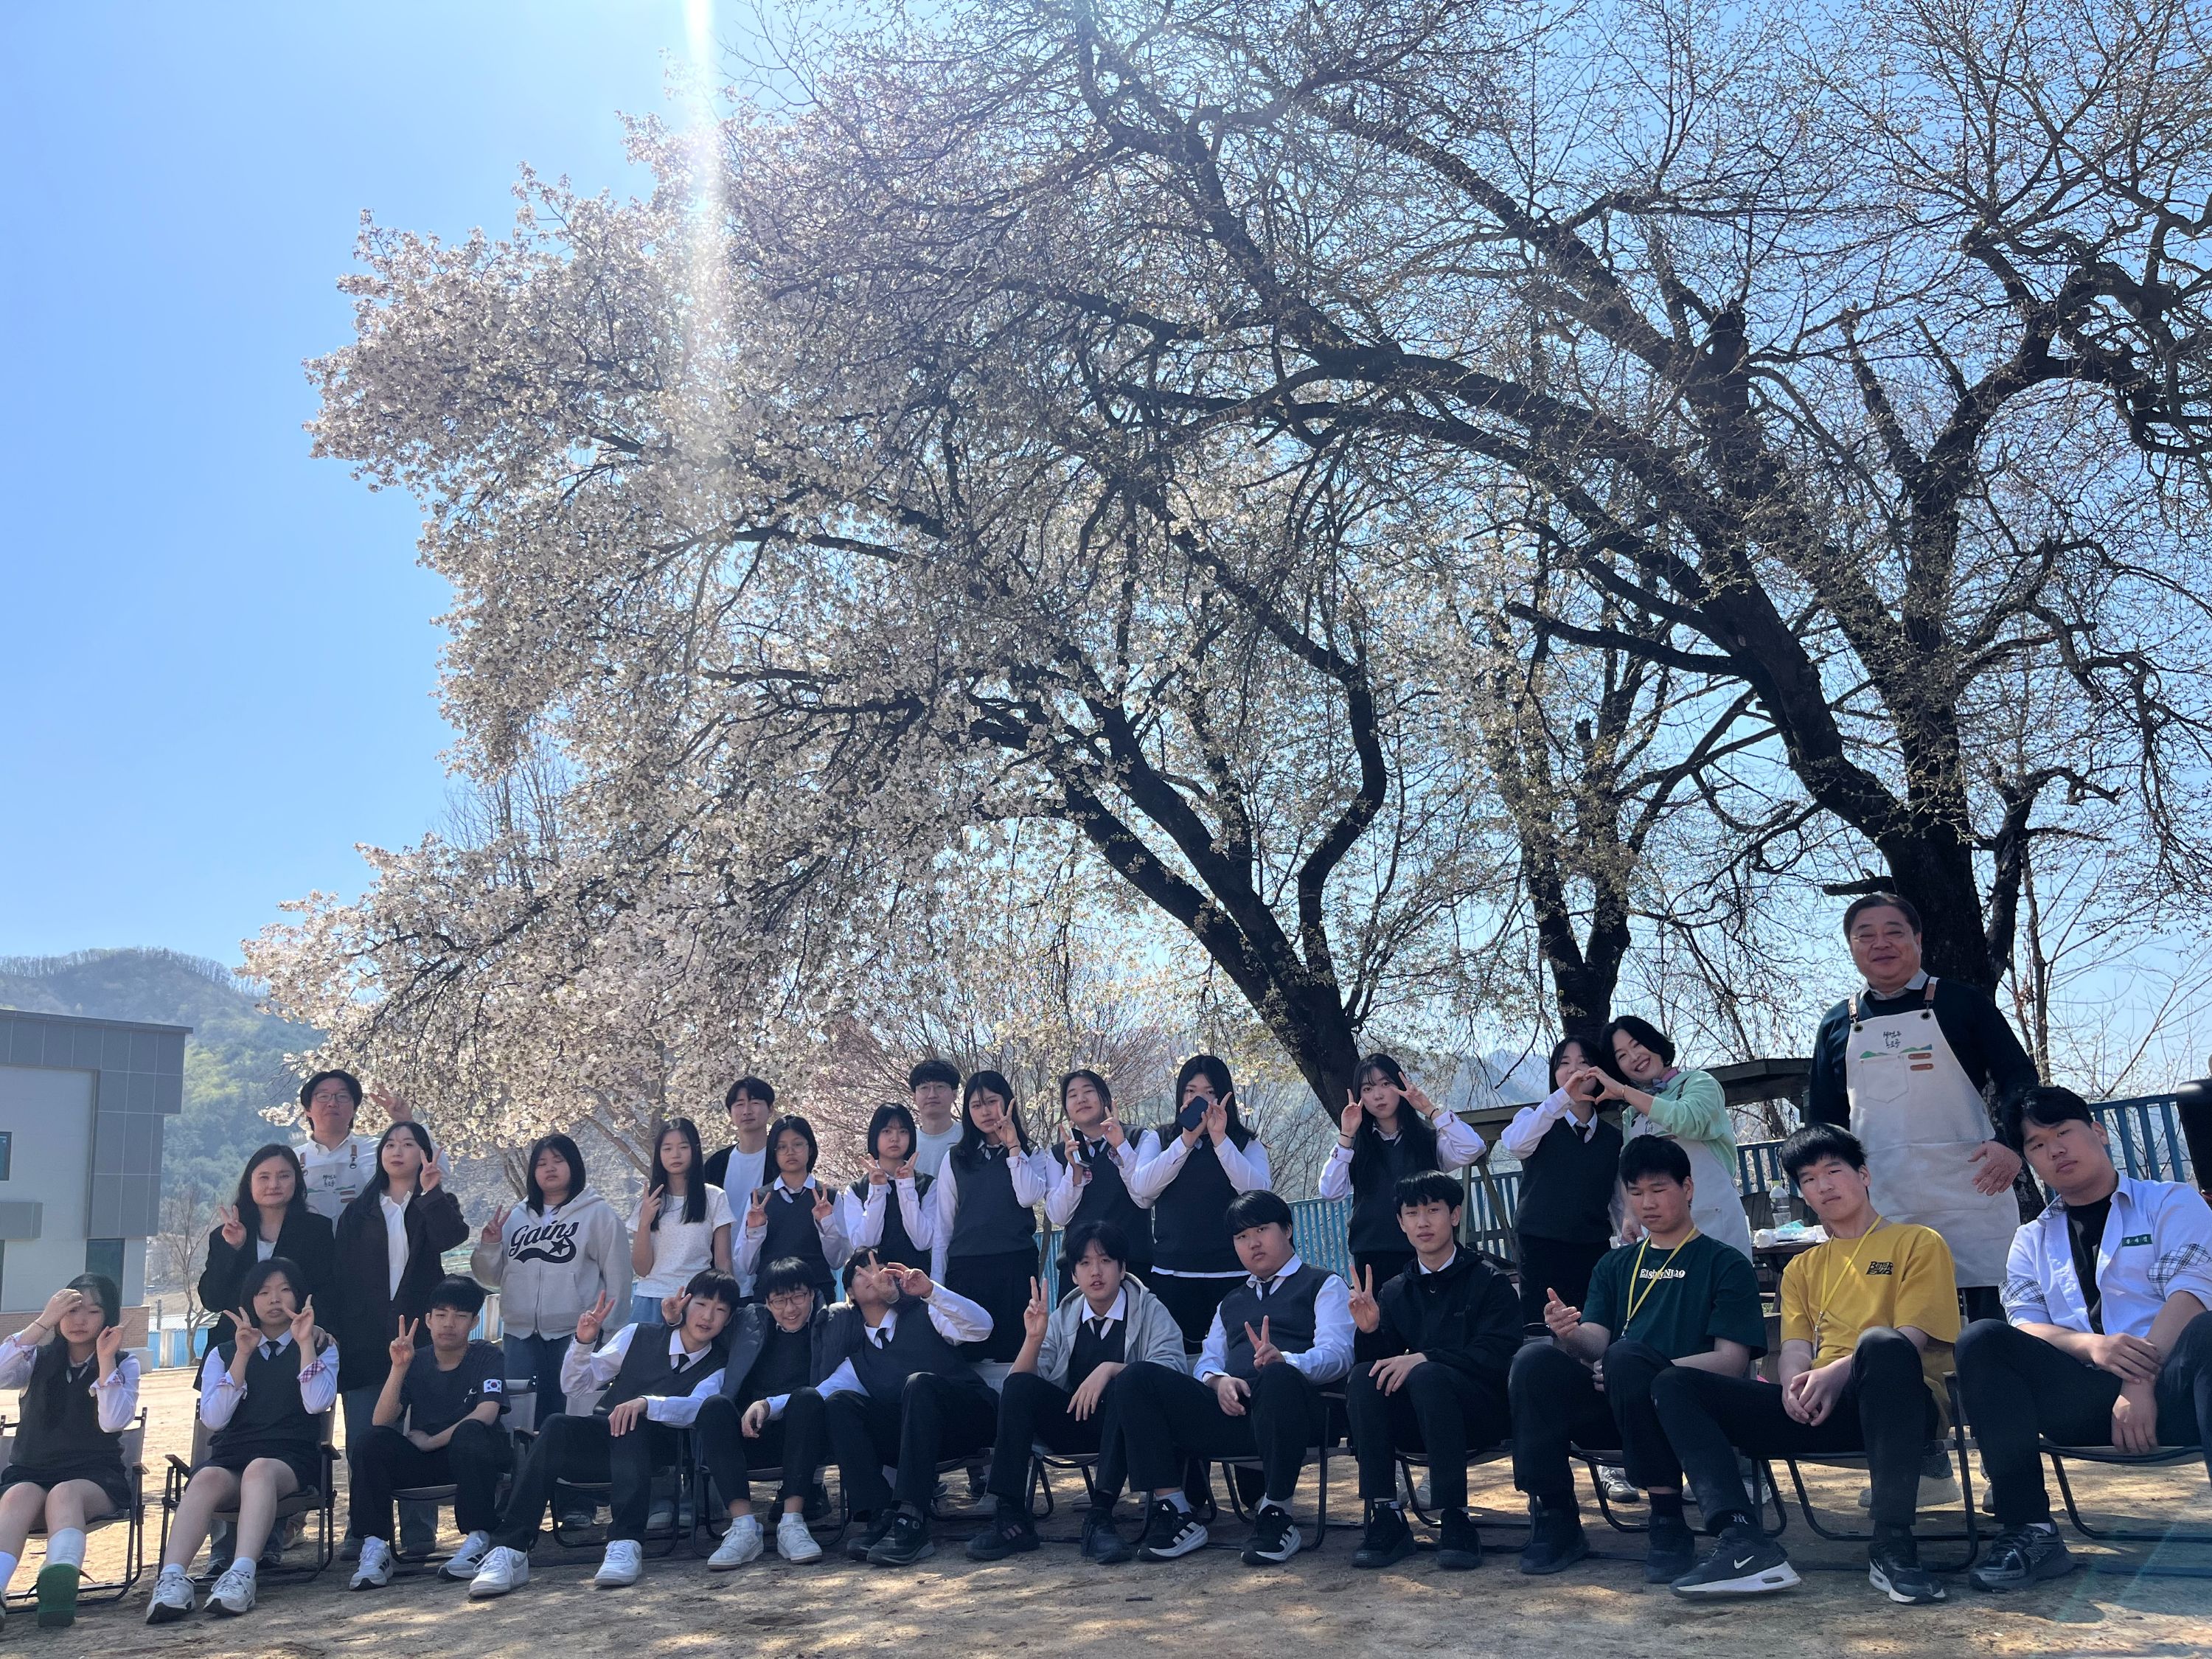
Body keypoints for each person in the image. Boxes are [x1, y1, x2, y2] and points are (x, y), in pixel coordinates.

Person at [1650, 1124, 1959, 1604]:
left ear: (1864, 1175)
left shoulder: (1918, 1242)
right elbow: (1794, 1347)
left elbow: (1911, 1339)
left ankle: (1893, 1545)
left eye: (1834, 1171)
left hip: (1899, 1404)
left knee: (1881, 1344)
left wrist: (1835, 1373)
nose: (1823, 1186)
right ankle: (1742, 1541)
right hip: (1823, 1407)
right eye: (1809, 1179)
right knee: (1675, 1383)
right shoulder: (1802, 1267)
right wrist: (1796, 1385)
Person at [1956, 1085, 2212, 1591]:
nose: (2054, 1150)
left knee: (2209, 1329)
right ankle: (2029, 1531)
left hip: (2174, 1390)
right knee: (1982, 1339)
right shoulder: (2030, 1238)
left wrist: (2138, 1382)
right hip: (2083, 1398)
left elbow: (2192, 1293)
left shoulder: (2171, 1202)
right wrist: (2091, 1346)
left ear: (2098, 1132)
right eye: (2036, 1144)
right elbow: (2026, 1322)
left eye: (2063, 1132)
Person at [1511, 1136, 1767, 1582]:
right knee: (1534, 1361)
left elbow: (1730, 1361)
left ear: (1688, 1188)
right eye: (1636, 1192)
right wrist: (1569, 1334)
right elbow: (1597, 1343)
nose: (1647, 1203)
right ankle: (1554, 1515)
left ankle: (1667, 1520)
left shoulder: (1724, 1263)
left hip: (1687, 1408)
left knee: (1629, 1359)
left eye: (1659, 1189)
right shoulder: (1615, 1265)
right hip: (1613, 1401)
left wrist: (1645, 1370)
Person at [1807, 892, 2039, 1319]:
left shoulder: (1963, 1003)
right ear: (1852, 947)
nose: (1881, 944)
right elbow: (1824, 1123)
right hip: (1882, 1197)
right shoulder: (1837, 1024)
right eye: (1866, 935)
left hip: (1971, 1189)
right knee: (1895, 1321)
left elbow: (2020, 1078)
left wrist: (2011, 1144)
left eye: (1894, 932)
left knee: (1992, 1324)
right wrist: (1829, 1194)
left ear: (1917, 939)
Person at [1114, 1189, 1354, 1566]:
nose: (1253, 1243)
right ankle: (1176, 1510)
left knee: (1278, 1378)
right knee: (1136, 1378)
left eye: (1261, 1230)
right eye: (1241, 1236)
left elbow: (1339, 1355)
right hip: (1238, 1415)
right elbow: (1206, 1362)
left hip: (1300, 1415)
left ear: (1287, 1230)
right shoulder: (1231, 1302)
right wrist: (1218, 1381)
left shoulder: (1323, 1284)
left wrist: (1286, 1360)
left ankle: (1277, 1513)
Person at [467, 1271, 740, 1596]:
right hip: (604, 1439)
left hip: (658, 1449)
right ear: (684, 1304)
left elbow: (697, 1407)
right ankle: (509, 1550)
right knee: (556, 1425)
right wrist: (583, 1343)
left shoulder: (720, 1364)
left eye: (720, 1310)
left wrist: (646, 1403)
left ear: (729, 1319)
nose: (708, 1317)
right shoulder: (638, 1334)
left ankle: (625, 1542)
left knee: (632, 1422)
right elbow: (576, 1385)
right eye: (702, 1304)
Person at [967, 1220, 1189, 1564]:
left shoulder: (1150, 1310)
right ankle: (1010, 1515)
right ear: (1073, 1275)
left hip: (1131, 1431)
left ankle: (1100, 1517)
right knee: (1018, 1385)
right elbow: (1021, 1386)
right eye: (1084, 1263)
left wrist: (1110, 1369)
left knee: (1124, 1386)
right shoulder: (1063, 1316)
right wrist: (1033, 1339)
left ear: (1123, 1268)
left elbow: (1172, 1373)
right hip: (1075, 1425)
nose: (1095, 1272)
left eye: (1105, 1261)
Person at [1343, 1172, 1520, 1572]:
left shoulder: (1488, 1280)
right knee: (1363, 1379)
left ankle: (1455, 1517)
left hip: (1480, 1414)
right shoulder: (1394, 1290)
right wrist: (1370, 1332)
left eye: (1433, 1211)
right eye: (1412, 1213)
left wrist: (1426, 1358)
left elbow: (1497, 1354)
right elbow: (1383, 1366)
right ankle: (1386, 1515)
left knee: (1427, 1375)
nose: (1423, 1222)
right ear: (1401, 1223)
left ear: (1455, 1215)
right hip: (1419, 1419)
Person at [145, 1259, 338, 1624]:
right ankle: (171, 1579)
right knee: (205, 1478)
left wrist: (304, 1344)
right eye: (263, 1292)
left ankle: (242, 1573)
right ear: (250, 1300)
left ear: (300, 1296)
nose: (274, 1299)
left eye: (284, 1290)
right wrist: (243, 1356)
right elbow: (214, 1419)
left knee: (259, 1471)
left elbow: (317, 1403)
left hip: (290, 1456)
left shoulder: (321, 1346)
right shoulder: (222, 1352)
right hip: (234, 1454)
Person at [329, 1119, 467, 1559]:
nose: (397, 1151)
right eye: (390, 1144)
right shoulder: (360, 1211)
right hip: (365, 1342)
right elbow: (341, 1279)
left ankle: (419, 1529)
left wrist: (431, 1194)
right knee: (365, 1436)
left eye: (409, 1144)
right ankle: (363, 1530)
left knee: (417, 1430)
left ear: (423, 1154)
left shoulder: (434, 1201)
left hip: (421, 1337)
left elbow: (452, 1238)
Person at [818, 1248, 998, 1567]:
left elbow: (982, 1327)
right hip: (917, 1442)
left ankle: (912, 1518)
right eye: (863, 1271)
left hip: (968, 1422)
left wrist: (930, 1291)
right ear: (850, 1294)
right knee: (839, 1404)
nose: (875, 1274)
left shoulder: (926, 1312)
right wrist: (766, 1406)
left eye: (881, 1268)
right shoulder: (858, 1359)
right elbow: (819, 1394)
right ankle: (882, 1515)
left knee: (918, 1384)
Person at [346, 1276, 512, 1590]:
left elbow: (487, 1412)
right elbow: (381, 1420)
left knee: (472, 1432)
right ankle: (375, 1546)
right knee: (370, 1441)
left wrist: (431, 1442)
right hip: (427, 1462)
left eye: (460, 1316)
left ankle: (478, 1539)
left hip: (472, 1457)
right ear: (428, 1320)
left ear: (474, 1322)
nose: (449, 1323)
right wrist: (398, 1368)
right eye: (441, 1315)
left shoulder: (487, 1356)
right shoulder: (417, 1360)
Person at [1321, 1054, 1486, 1360]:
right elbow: (1330, 1191)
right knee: (1382, 1340)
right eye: (1368, 1089)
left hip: (1428, 1254)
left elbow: (1472, 1148)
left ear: (1401, 1086)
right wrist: (1347, 1134)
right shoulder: (1356, 1147)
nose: (1378, 1095)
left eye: (1386, 1084)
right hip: (1374, 1255)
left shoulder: (1427, 1139)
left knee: (1435, 1337)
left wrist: (1430, 1110)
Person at [0, 1276, 136, 1630]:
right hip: (32, 1470)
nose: (80, 1320)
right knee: (16, 1496)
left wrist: (105, 1361)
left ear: (108, 1316)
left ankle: (59, 1583)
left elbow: (113, 1422)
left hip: (94, 1476)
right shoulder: (37, 1358)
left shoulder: (125, 1362)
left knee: (64, 1494)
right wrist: (43, 1322)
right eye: (72, 1311)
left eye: (93, 1311)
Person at [470, 1132, 630, 1422]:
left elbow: (618, 1277)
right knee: (518, 1416)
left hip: (575, 1334)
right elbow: (489, 1278)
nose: (550, 1168)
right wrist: (490, 1246)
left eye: (558, 1161)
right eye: (541, 1163)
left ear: (574, 1165)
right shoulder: (516, 1217)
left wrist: (611, 1334)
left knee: (569, 1415)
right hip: (519, 1334)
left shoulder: (598, 1214)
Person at [1128, 1054, 1274, 1351]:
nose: (1201, 1100)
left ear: (1225, 1097)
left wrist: (1220, 1141)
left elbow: (1259, 1194)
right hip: (1173, 1273)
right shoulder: (1160, 1138)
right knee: (1177, 1359)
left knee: (1238, 1357)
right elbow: (1143, 1187)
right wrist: (1185, 1141)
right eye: (1191, 1091)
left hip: (1234, 1272)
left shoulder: (1245, 1142)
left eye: (1210, 1092)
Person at [693, 1256, 831, 1569]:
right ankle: (743, 1528)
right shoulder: (748, 1323)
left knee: (807, 1398)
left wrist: (770, 1404)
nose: (790, 1308)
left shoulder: (830, 1325)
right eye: (779, 1300)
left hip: (805, 1437)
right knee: (714, 1406)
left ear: (812, 1294)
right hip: (749, 1437)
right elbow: (702, 1332)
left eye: (798, 1297)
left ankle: (792, 1521)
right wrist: (675, 1321)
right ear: (767, 1302)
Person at [1587, 1018, 1753, 1261]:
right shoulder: (1632, 1115)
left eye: (1637, 1044)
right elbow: (1628, 1171)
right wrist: (1630, 1214)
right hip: (1659, 1235)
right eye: (1622, 1056)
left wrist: (1624, 1092)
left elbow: (1688, 1120)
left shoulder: (1698, 1083)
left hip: (1714, 1221)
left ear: (1654, 1042)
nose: (1634, 1057)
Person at [1500, 1035, 1625, 1328]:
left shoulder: (1613, 1138)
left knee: (1593, 1324)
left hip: (1593, 1245)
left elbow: (1618, 1199)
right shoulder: (1535, 1118)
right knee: (1542, 1327)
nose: (1574, 1070)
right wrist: (1561, 1098)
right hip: (1540, 1243)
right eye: (1564, 1063)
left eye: (1583, 1062)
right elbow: (1516, 1144)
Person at [931, 1071, 1054, 1364]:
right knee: (968, 1356)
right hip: (966, 1269)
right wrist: (937, 1285)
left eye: (992, 1101)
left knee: (1015, 1354)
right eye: (976, 1105)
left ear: (1008, 1102)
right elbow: (943, 1227)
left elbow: (1028, 1197)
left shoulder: (1032, 1153)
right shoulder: (955, 1158)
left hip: (1015, 1265)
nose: (985, 1111)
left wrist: (1013, 1148)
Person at [199, 1144, 337, 1359]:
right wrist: (233, 1249)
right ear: (249, 1182)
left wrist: (317, 1325)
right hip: (236, 1345)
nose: (274, 1185)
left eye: (284, 1176)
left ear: (297, 1181)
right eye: (264, 1177)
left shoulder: (316, 1231)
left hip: (296, 1346)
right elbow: (212, 1300)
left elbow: (326, 1292)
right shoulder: (225, 1235)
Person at [1044, 1070, 1155, 1303]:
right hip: (1079, 1270)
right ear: (1066, 1108)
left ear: (1104, 1098)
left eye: (1088, 1091)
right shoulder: (1058, 1154)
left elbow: (1144, 1198)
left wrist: (1121, 1146)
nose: (1081, 1099)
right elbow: (1059, 1216)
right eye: (1072, 1095)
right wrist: (1074, 1171)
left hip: (1132, 1263)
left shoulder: (1139, 1137)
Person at [630, 1117, 734, 1327]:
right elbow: (641, 1269)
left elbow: (723, 1262)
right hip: (651, 1298)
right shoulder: (648, 1202)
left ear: (695, 1150)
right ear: (659, 1154)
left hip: (696, 1301)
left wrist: (727, 1303)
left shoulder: (715, 1197)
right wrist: (644, 1222)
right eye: (667, 1149)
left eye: (683, 1147)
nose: (675, 1155)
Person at [737, 1113, 849, 1304]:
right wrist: (755, 1230)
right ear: (773, 1153)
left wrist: (826, 1222)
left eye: (797, 1144)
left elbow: (837, 1261)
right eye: (781, 1147)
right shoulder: (759, 1200)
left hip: (817, 1298)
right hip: (771, 1301)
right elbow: (746, 1267)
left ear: (810, 1149)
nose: (790, 1152)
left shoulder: (828, 1197)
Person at [294, 1070, 412, 1223]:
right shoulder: (291, 1160)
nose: (332, 1103)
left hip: (370, 1237)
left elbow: (435, 1170)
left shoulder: (380, 1150)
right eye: (323, 1096)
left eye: (342, 1096)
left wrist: (408, 1123)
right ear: (307, 1109)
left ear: (354, 1109)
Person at [841, 1103, 937, 1267]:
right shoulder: (856, 1190)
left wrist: (906, 1187)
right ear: (875, 1136)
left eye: (903, 1131)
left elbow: (924, 1241)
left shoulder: (927, 1185)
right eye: (887, 1131)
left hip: (916, 1276)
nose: (895, 1138)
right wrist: (877, 1191)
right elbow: (864, 1243)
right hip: (874, 1278)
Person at [701, 1076, 775, 1213]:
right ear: (730, 1112)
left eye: (755, 1103)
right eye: (740, 1104)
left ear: (771, 1109)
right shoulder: (716, 1164)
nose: (747, 1111)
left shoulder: (781, 1160)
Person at [906, 1059, 965, 1179]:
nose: (932, 1095)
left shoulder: (969, 1136)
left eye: (940, 1087)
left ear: (954, 1094)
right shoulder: (906, 1143)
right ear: (914, 1097)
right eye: (924, 1088)